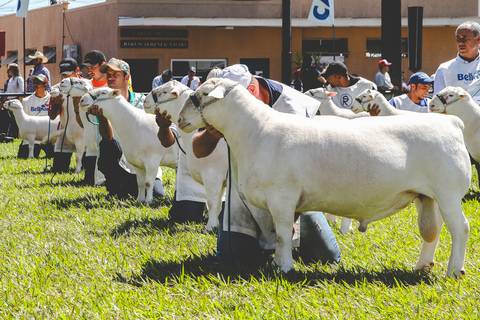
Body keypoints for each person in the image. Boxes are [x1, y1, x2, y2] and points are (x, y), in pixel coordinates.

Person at [192, 64, 341, 268]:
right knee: (234, 262)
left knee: (327, 258)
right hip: (243, 198)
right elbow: (199, 150)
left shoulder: (292, 106)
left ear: (250, 91)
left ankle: (285, 246)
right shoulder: (223, 106)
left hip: (297, 198)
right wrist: (211, 133)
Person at [88, 58, 164, 199]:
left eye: (115, 75)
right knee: (107, 146)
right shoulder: (101, 102)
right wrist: (102, 117)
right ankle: (117, 185)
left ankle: (129, 188)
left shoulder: (143, 102)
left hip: (146, 163)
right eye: (108, 75)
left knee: (157, 195)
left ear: (126, 77)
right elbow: (107, 137)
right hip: (120, 164)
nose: (110, 78)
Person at [434, 21, 480, 185]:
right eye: (458, 38)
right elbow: (436, 104)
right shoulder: (445, 69)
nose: (460, 42)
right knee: (455, 174)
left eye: (465, 38)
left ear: (478, 40)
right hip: (457, 130)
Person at [48, 58, 83, 172]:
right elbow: (52, 116)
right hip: (65, 133)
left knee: (87, 169)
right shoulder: (56, 88)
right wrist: (56, 103)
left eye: (69, 73)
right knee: (58, 169)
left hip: (84, 133)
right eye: (63, 74)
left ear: (77, 70)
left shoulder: (87, 85)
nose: (66, 77)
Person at [80, 50, 108, 185]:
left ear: (104, 65)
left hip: (110, 141)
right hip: (90, 143)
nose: (90, 70)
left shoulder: (113, 85)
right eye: (88, 67)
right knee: (89, 181)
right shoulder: (85, 86)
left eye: (93, 67)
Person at [18, 74, 53, 158]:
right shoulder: (26, 101)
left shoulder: (53, 99)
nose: (36, 86)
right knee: (23, 157)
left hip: (49, 136)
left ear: (45, 85)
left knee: (56, 156)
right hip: (32, 137)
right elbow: (24, 122)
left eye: (39, 83)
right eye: (35, 83)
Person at [0, 63, 24, 137]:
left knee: (16, 120)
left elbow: (21, 91)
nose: (8, 71)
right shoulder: (11, 79)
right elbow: (8, 92)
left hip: (15, 101)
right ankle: (13, 135)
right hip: (9, 101)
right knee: (11, 119)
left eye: (9, 69)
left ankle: (17, 135)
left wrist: (17, 100)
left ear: (13, 70)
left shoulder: (19, 79)